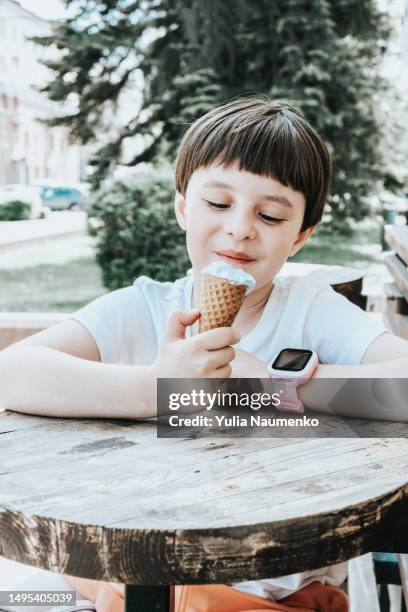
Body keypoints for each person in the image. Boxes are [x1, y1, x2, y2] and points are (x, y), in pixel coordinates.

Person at [1, 97, 408, 611]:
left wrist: (279, 388)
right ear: (182, 208)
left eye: (270, 213)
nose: (240, 227)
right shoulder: (145, 308)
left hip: (273, 585)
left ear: (300, 236)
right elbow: (11, 373)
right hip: (137, 565)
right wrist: (158, 386)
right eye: (218, 204)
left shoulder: (311, 313)